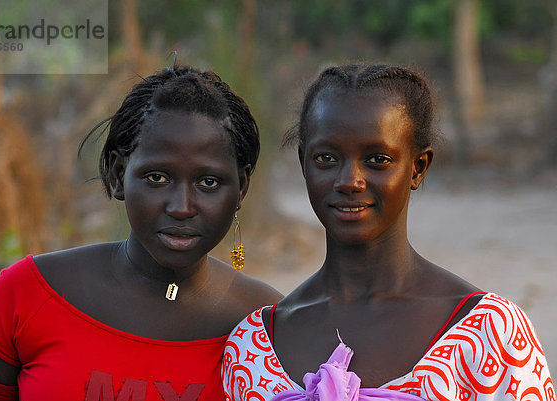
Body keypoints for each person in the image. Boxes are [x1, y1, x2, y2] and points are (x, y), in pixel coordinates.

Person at [223, 63, 554, 401]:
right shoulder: (253, 349)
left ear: (418, 167)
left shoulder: (489, 334)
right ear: (303, 163)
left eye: (378, 159)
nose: (349, 180)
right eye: (326, 158)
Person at [0, 65, 282, 401]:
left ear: (241, 188)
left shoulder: (269, 326)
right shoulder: (28, 294)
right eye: (157, 177)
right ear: (118, 174)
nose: (182, 207)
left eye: (208, 182)